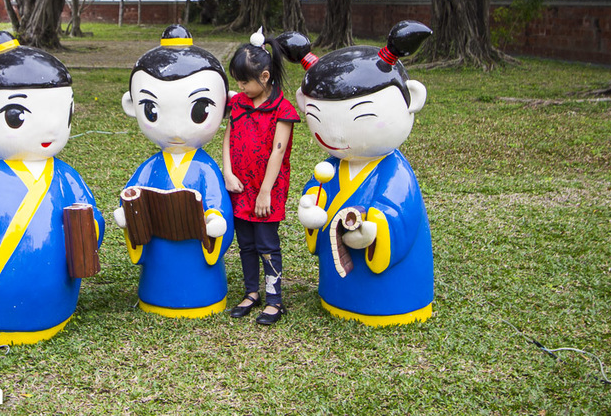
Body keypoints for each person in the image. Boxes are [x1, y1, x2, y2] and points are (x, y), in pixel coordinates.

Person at [0, 31, 104, 345]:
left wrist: (90, 227)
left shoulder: (63, 175)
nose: (50, 128)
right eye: (17, 115)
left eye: (62, 114)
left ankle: (54, 311)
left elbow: (90, 215)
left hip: (57, 295)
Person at [295, 20, 435, 327]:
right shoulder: (332, 167)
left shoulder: (395, 172)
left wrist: (375, 230)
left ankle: (384, 305)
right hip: (336, 281)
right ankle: (336, 296)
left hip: (393, 291)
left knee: (387, 280)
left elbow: (401, 212)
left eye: (361, 116)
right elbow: (317, 193)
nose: (335, 134)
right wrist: (310, 208)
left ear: (412, 99)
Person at [113, 24, 234, 318]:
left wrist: (215, 220)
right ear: (132, 105)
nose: (176, 129)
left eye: (199, 109)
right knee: (160, 269)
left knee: (197, 272)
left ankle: (202, 298)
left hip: (196, 251)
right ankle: (157, 298)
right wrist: (128, 212)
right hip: (159, 251)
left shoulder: (205, 168)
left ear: (225, 106)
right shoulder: (150, 167)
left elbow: (218, 204)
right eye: (151, 110)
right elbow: (131, 194)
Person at [222, 29, 311, 325]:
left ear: (264, 76)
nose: (240, 87)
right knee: (245, 243)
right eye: (237, 81)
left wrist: (264, 192)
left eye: (244, 81)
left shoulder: (282, 109)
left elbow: (278, 152)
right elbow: (228, 137)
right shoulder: (238, 103)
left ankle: (274, 300)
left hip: (266, 189)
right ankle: (251, 293)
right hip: (239, 185)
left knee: (267, 244)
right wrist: (227, 172)